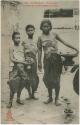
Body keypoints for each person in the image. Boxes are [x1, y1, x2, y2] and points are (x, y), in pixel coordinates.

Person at [37, 19, 78, 106]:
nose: (46, 28)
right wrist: (39, 62)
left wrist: (75, 48)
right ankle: (50, 97)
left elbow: (64, 42)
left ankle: (56, 99)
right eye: (44, 26)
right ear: (41, 27)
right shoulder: (40, 37)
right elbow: (40, 51)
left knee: (56, 80)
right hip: (47, 60)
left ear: (50, 27)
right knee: (46, 79)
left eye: (48, 26)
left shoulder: (54, 35)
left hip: (56, 59)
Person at [7, 32, 28, 108]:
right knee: (13, 83)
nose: (18, 39)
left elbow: (25, 57)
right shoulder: (11, 47)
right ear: (13, 39)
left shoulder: (22, 47)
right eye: (16, 38)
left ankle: (18, 99)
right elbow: (12, 59)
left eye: (19, 38)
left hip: (23, 67)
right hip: (15, 67)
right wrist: (21, 62)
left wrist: (27, 61)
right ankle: (10, 101)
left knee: (22, 83)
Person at [22, 25, 39, 100]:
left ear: (34, 31)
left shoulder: (37, 40)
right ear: (26, 32)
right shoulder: (24, 41)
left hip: (34, 60)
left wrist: (39, 62)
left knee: (34, 77)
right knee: (27, 77)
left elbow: (39, 51)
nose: (30, 31)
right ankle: (29, 93)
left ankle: (33, 94)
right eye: (28, 30)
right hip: (26, 60)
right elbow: (22, 52)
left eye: (32, 30)